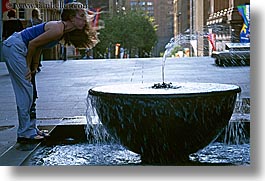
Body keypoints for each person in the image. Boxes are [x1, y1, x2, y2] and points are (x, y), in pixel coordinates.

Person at [2, 2, 99, 142]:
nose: (85, 19)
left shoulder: (61, 31)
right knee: (26, 90)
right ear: (71, 18)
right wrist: (29, 67)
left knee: (32, 92)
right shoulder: (58, 29)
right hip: (15, 48)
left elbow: (38, 46)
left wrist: (34, 65)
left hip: (19, 49)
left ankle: (30, 128)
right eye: (81, 15)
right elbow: (32, 44)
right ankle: (24, 133)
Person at [26, 8, 43, 121]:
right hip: (37, 45)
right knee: (33, 72)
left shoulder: (30, 21)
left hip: (30, 47)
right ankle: (34, 94)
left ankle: (31, 95)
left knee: (30, 74)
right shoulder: (40, 21)